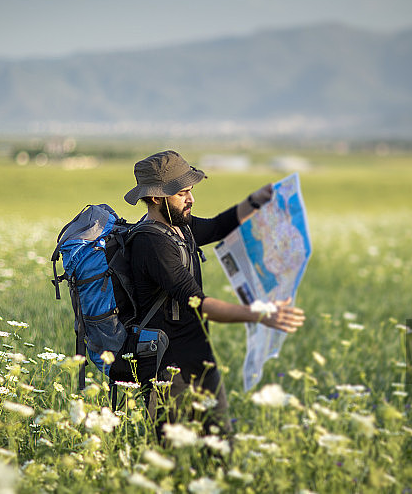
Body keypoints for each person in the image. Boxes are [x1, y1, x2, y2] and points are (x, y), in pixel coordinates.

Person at [124, 150, 305, 433]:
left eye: (191, 191)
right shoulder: (152, 244)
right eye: (182, 193)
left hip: (197, 355)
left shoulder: (180, 226)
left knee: (220, 444)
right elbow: (198, 302)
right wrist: (260, 314)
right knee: (171, 459)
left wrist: (254, 201)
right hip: (166, 368)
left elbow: (219, 226)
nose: (191, 199)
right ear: (157, 198)